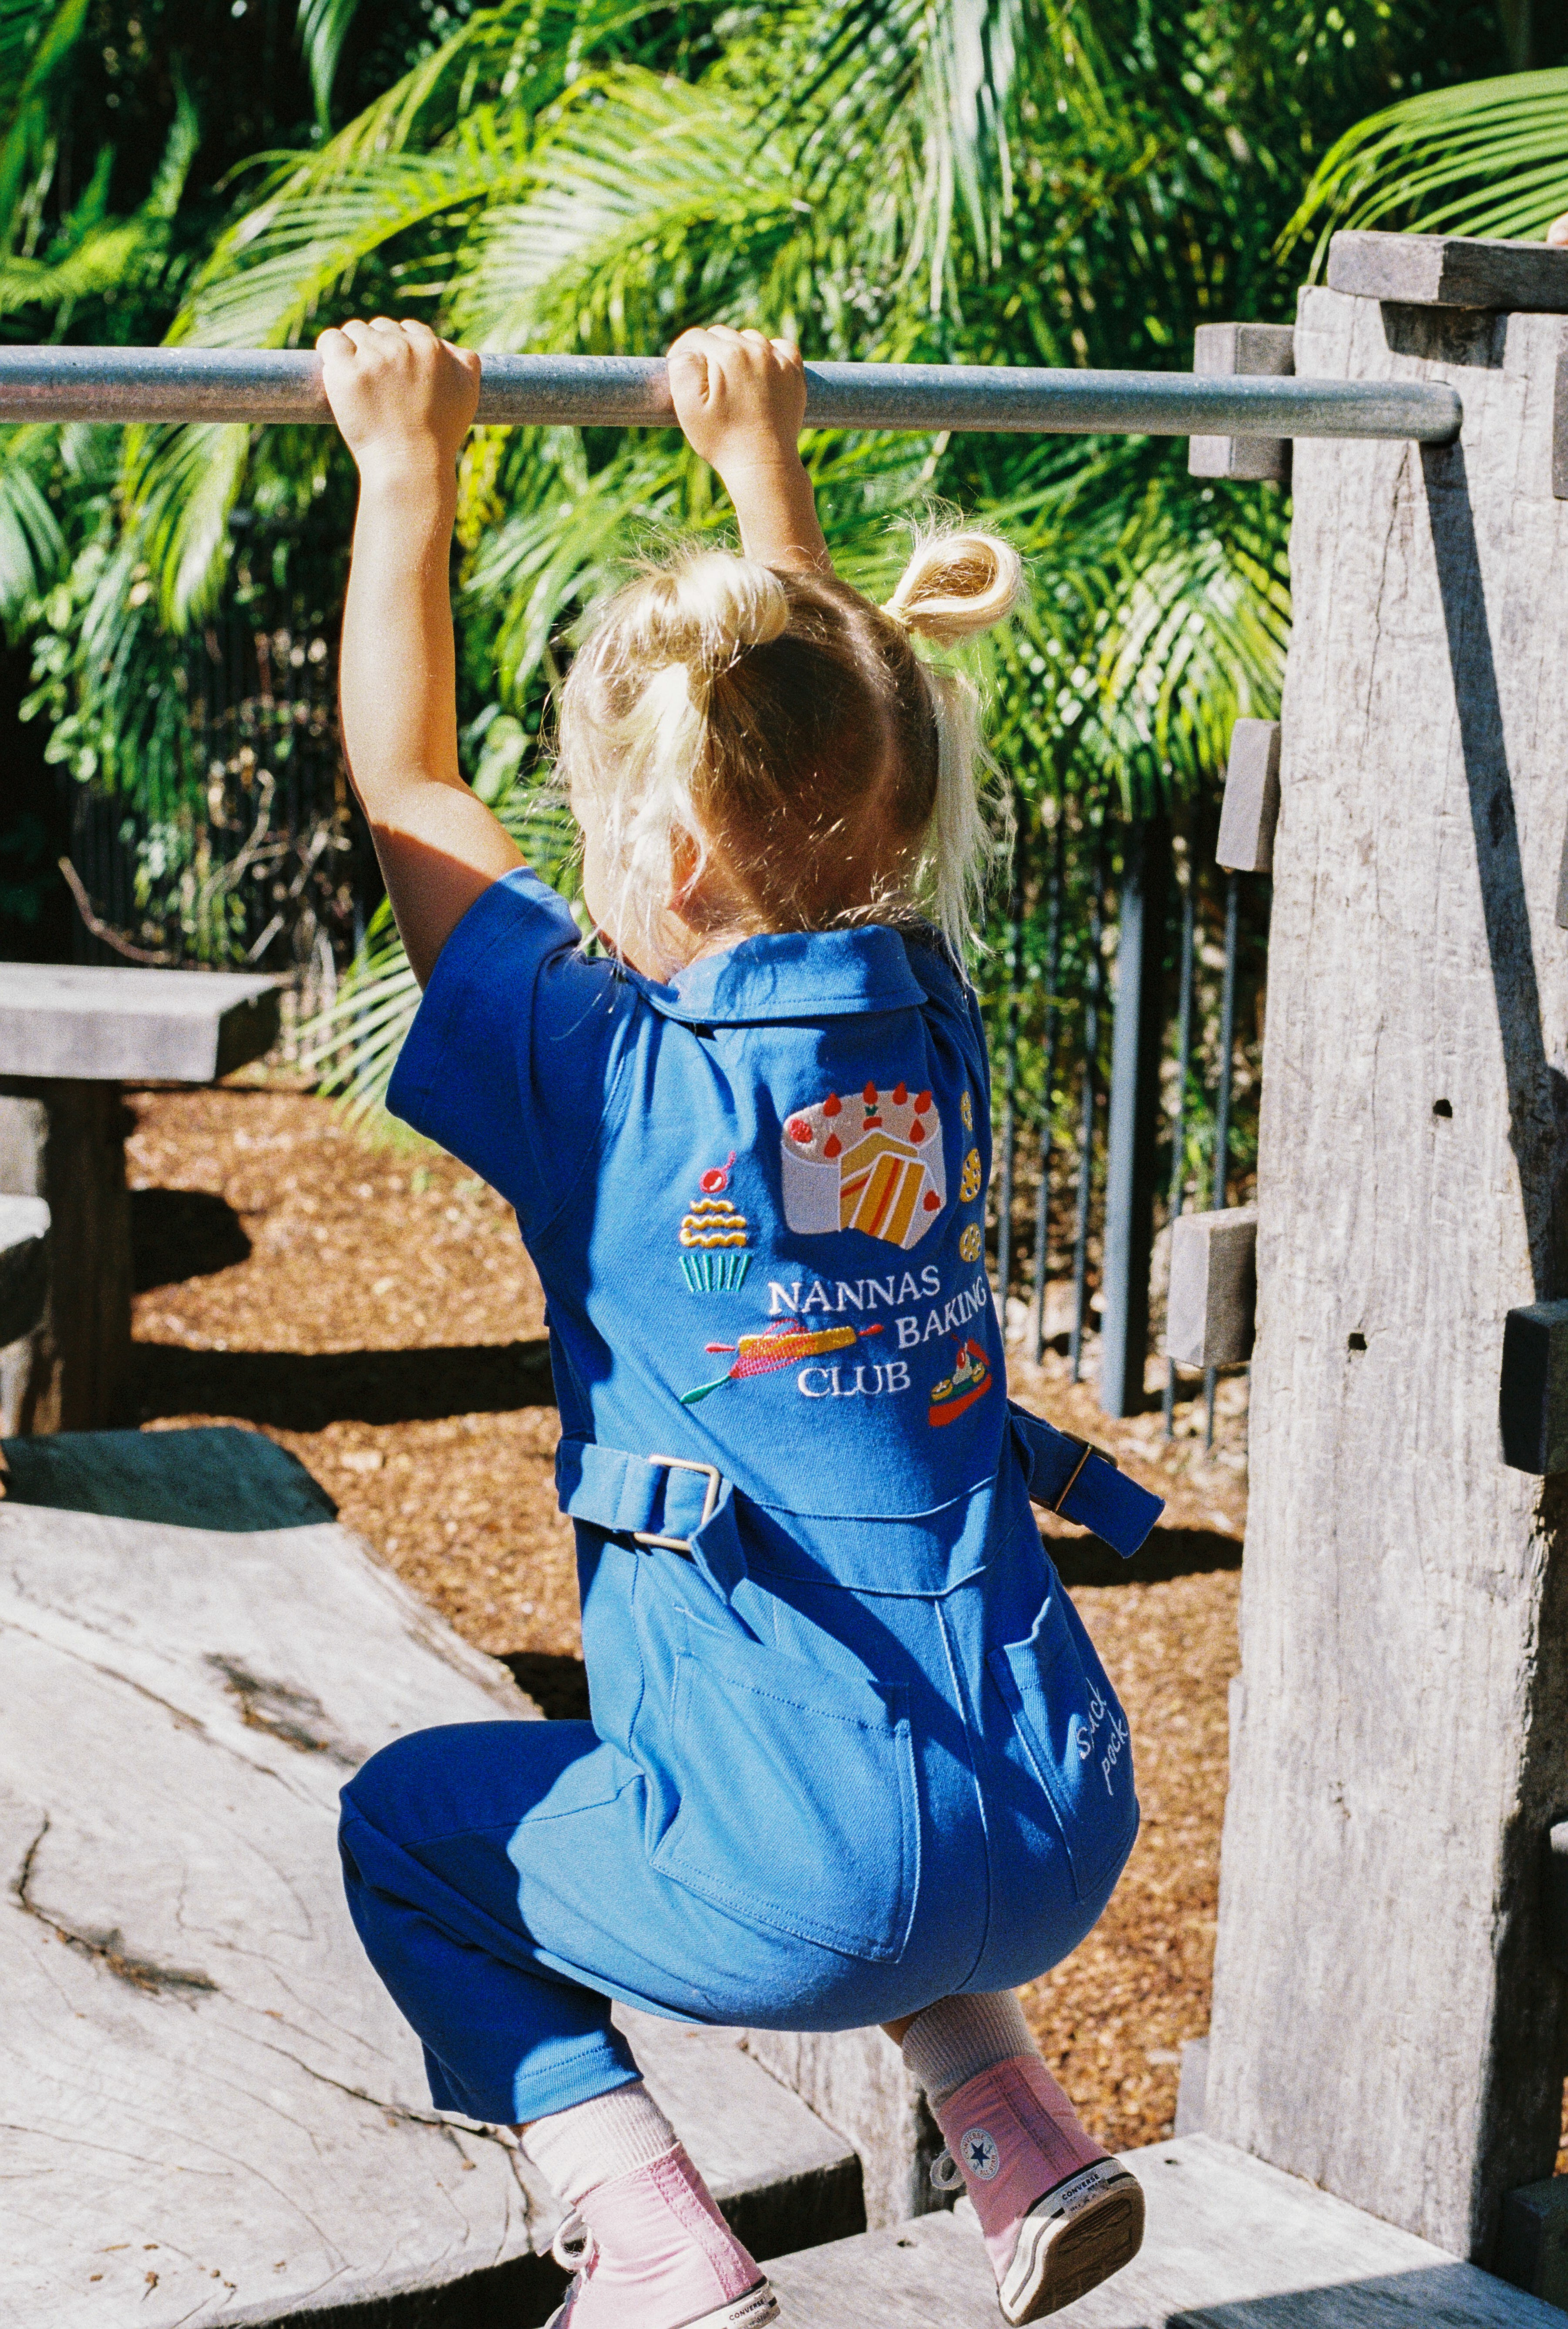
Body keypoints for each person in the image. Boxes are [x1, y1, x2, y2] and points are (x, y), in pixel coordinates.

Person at [318, 315, 1163, 2329]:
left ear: (662, 844)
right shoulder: (930, 1027)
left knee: (408, 1836)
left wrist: (403, 466)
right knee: (865, 1760)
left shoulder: (600, 1078)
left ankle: (647, 2231)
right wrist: (763, 459)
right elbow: (849, 736)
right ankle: (1017, 2131)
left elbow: (407, 781)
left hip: (802, 1882)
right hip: (1053, 1810)